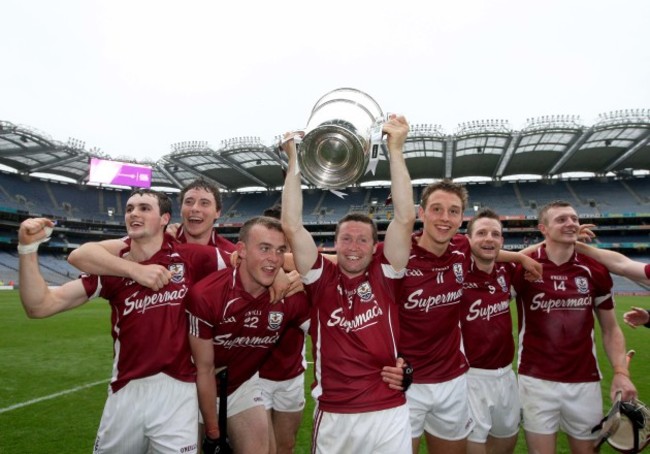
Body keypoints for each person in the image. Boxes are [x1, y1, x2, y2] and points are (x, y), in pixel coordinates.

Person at [18, 189, 230, 454]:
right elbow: (39, 306)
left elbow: (246, 262)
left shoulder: (191, 258)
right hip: (125, 390)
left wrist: (285, 276)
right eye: (129, 209)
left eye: (144, 208)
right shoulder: (112, 269)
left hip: (178, 390)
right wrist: (27, 249)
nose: (134, 214)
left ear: (165, 219)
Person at [280, 113, 415, 453]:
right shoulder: (319, 278)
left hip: (388, 411)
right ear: (334, 244)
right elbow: (292, 226)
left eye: (362, 241)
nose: (354, 248)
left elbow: (404, 217)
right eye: (346, 240)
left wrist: (395, 150)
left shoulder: (386, 273)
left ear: (374, 247)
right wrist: (295, 160)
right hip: (335, 415)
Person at [397, 180, 541, 454]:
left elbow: (489, 250)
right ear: (422, 212)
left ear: (461, 217)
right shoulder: (400, 253)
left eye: (453, 211)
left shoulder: (461, 247)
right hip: (410, 379)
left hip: (454, 380)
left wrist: (521, 259)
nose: (444, 217)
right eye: (437, 209)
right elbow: (357, 261)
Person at [511, 200, 637, 454]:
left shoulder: (594, 269)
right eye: (561, 220)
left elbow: (611, 328)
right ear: (543, 228)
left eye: (574, 219)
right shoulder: (524, 266)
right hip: (535, 381)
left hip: (584, 382)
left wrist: (621, 372)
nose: (570, 223)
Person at [186, 216, 311, 454]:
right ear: (241, 250)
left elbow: (333, 335)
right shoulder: (206, 296)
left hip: (242, 384)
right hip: (195, 385)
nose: (273, 259)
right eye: (264, 248)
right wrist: (213, 433)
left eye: (279, 250)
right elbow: (204, 369)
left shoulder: (290, 295)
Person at [461, 208, 519, 454]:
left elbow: (536, 259)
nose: (489, 239)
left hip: (506, 375)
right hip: (469, 377)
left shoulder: (509, 271)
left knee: (506, 443)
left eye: (495, 234)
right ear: (468, 240)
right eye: (482, 233)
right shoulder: (456, 273)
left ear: (502, 241)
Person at [259, 203, 308, 454]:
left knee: (285, 445)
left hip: (291, 378)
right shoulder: (247, 278)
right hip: (255, 379)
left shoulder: (306, 283)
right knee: (261, 448)